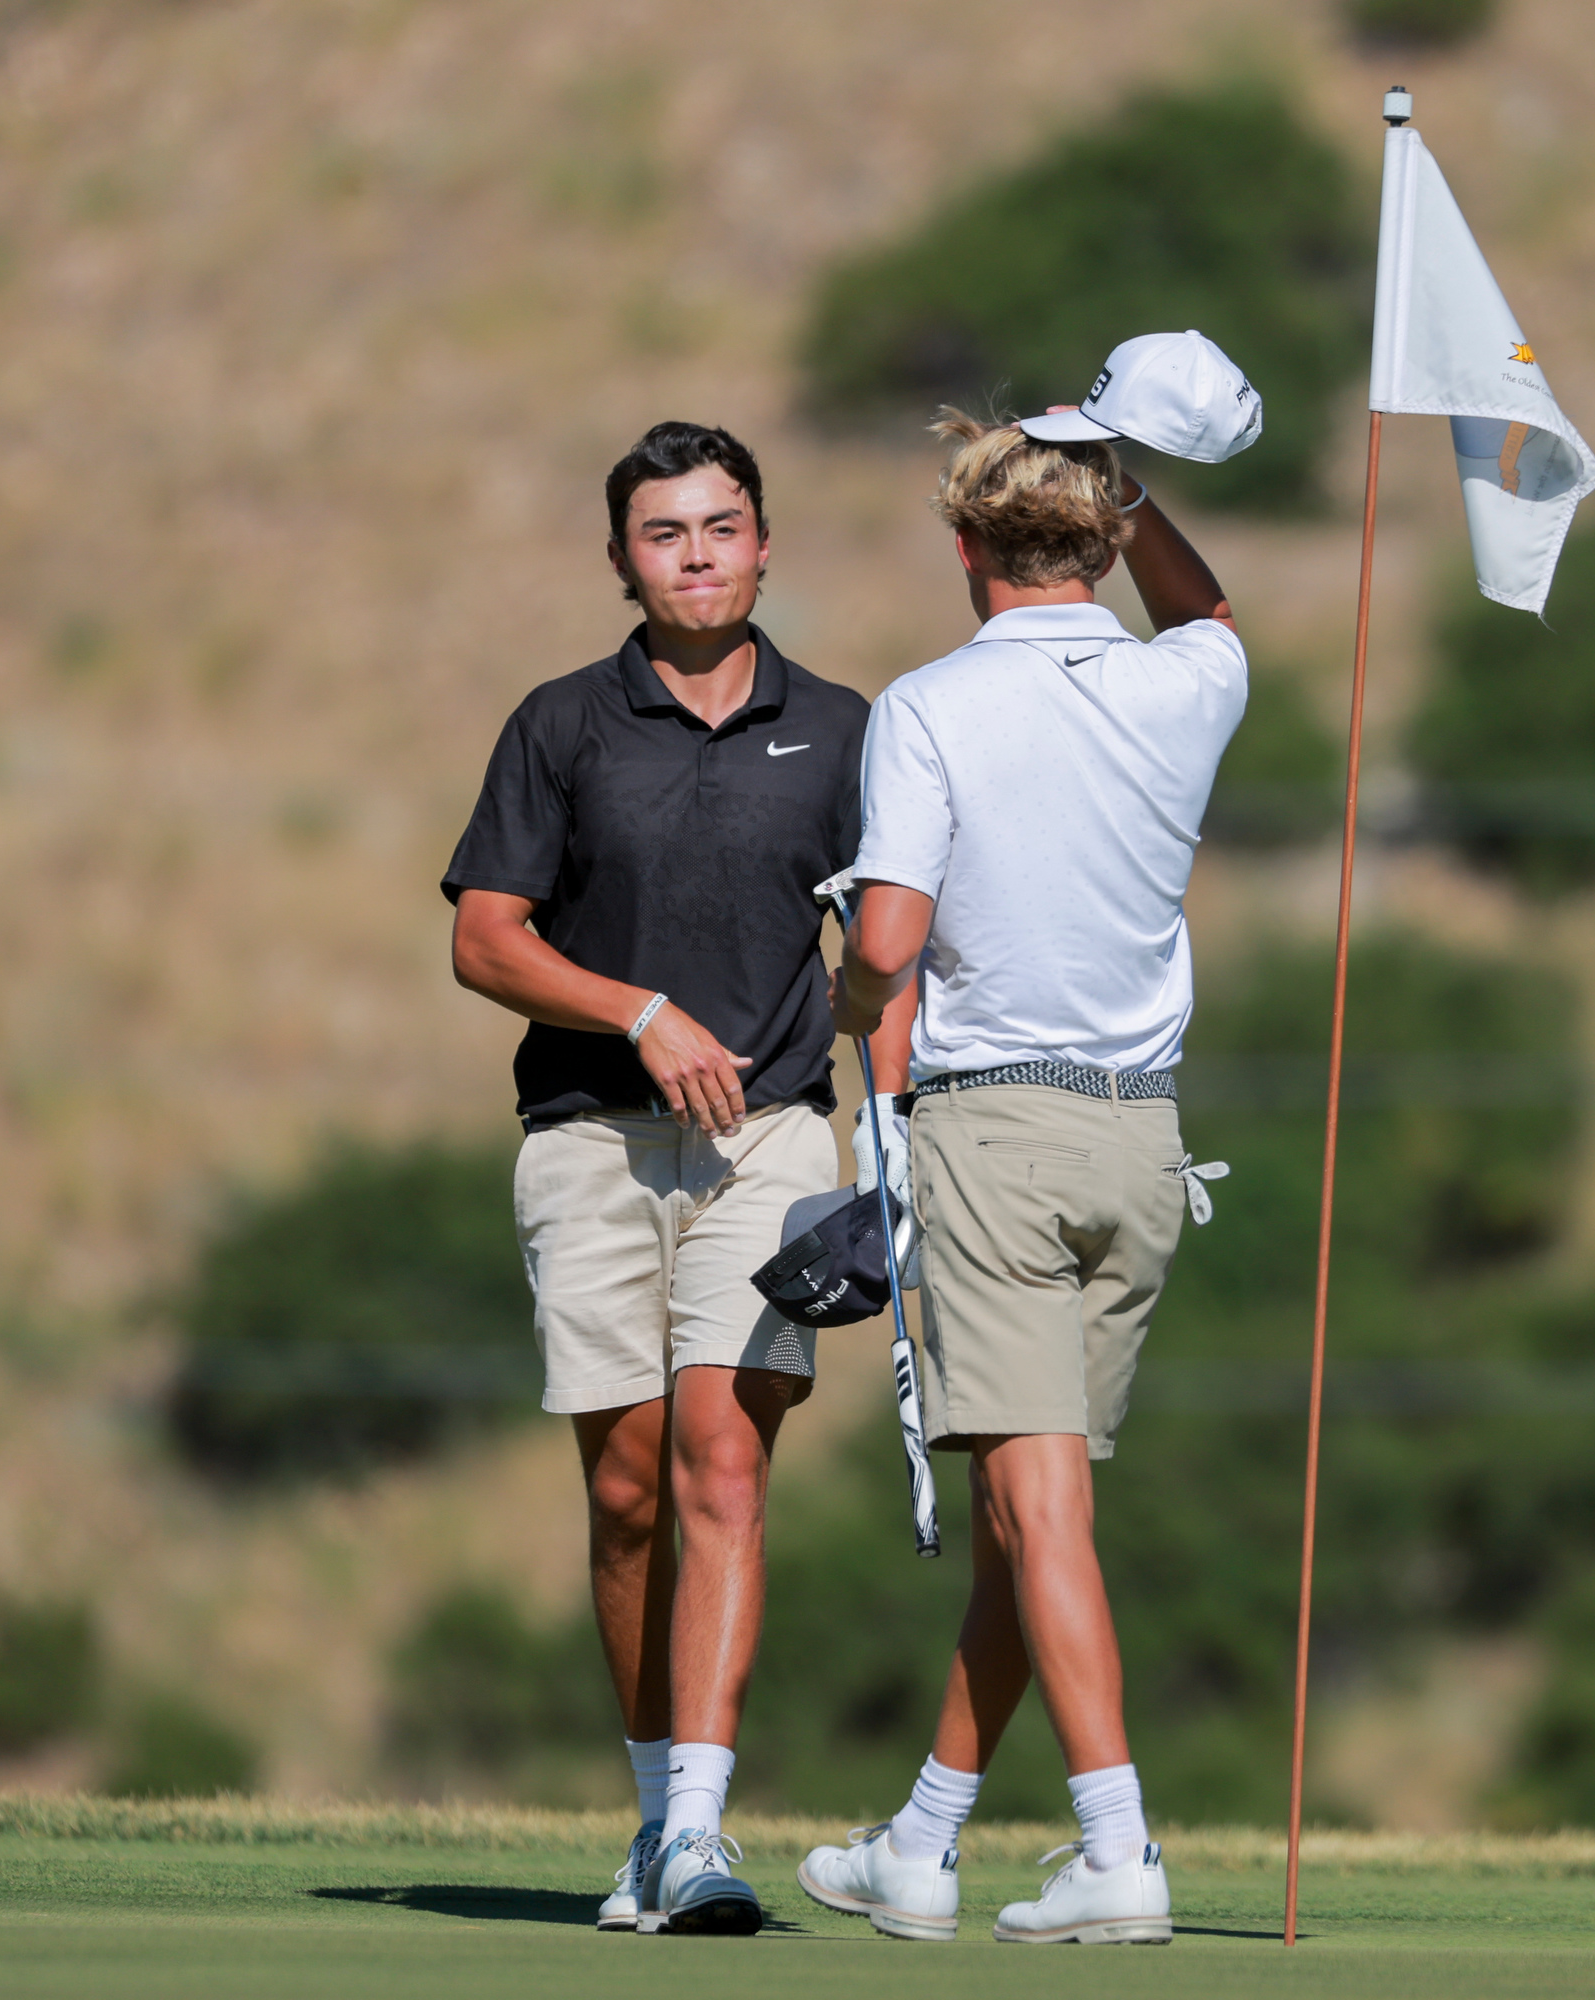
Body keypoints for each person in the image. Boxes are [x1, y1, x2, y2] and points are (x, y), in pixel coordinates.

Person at [442, 421, 914, 1935]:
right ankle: (651, 1824)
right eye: (666, 533)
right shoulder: (562, 725)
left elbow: (888, 952)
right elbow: (487, 938)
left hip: (770, 1140)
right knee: (629, 1488)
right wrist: (639, 1013)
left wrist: (887, 1129)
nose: (697, 553)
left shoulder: (844, 729)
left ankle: (702, 1836)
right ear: (622, 561)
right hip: (585, 1134)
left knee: (723, 1458)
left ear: (765, 545)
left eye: (722, 526)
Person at [797, 396, 1246, 1947]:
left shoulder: (929, 705)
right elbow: (1207, 608)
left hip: (995, 1128)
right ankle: (920, 1844)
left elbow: (895, 944)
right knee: (1023, 1508)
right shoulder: (1194, 675)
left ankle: (1118, 1852)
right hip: (1144, 1143)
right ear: (1109, 541)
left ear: (973, 549)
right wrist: (1131, 486)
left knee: (1037, 1510)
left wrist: (847, 1002)